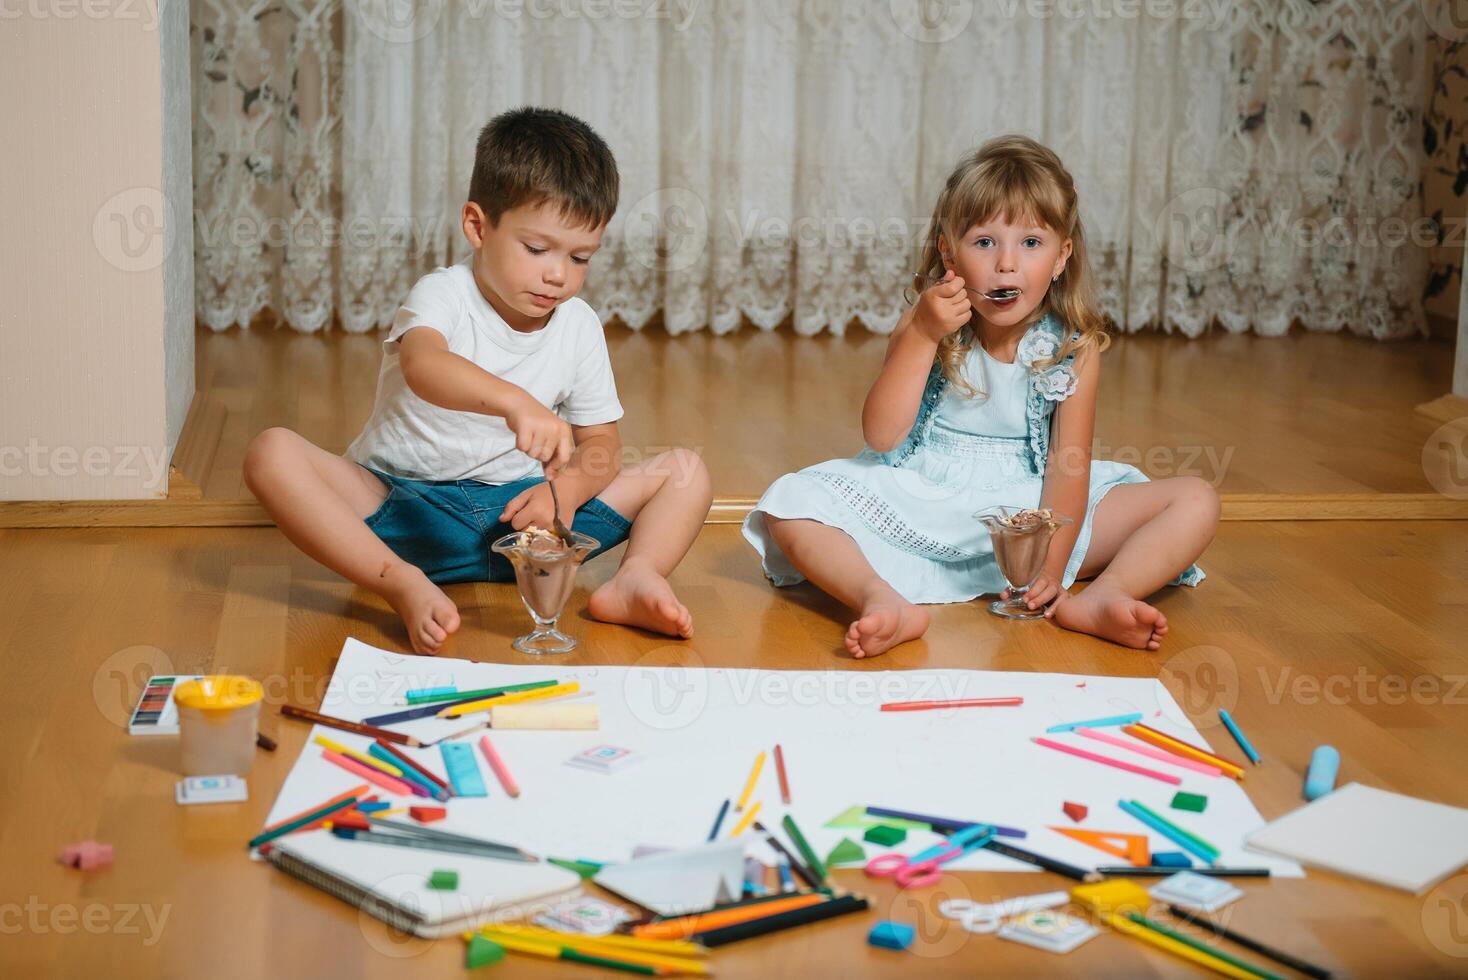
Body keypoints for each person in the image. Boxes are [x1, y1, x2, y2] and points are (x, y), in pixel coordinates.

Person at [245, 107, 712, 654]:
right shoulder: (443, 296)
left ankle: (637, 577)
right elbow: (423, 366)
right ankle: (397, 582)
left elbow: (603, 445)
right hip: (410, 512)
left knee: (685, 470)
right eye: (537, 249)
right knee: (270, 452)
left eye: (580, 256)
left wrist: (563, 492)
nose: (558, 274)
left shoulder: (578, 325)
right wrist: (514, 403)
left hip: (527, 519)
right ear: (477, 226)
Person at [744, 136, 1215, 658]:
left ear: (1062, 257)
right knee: (790, 504)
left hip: (1031, 514)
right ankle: (880, 597)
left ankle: (1105, 596)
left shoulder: (1073, 348)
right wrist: (922, 334)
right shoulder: (926, 324)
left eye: (1031, 243)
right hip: (925, 495)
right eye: (985, 242)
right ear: (950, 252)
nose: (1007, 264)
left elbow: (1069, 469)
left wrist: (1049, 567)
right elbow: (880, 434)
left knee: (1195, 500)